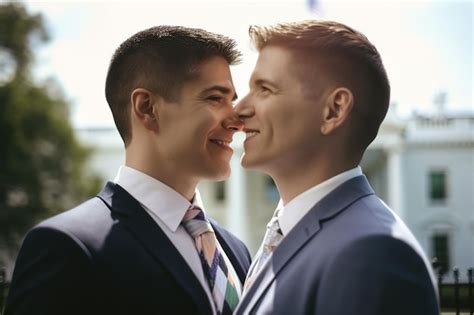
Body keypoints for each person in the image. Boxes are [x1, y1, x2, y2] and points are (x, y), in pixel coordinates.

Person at [5, 26, 251, 315]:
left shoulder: (236, 251)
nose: (237, 120)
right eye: (215, 98)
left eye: (232, 100)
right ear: (147, 107)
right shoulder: (66, 247)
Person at [234, 20, 439, 315]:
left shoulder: (371, 255)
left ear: (334, 110)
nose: (239, 108)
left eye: (264, 89)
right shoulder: (297, 232)